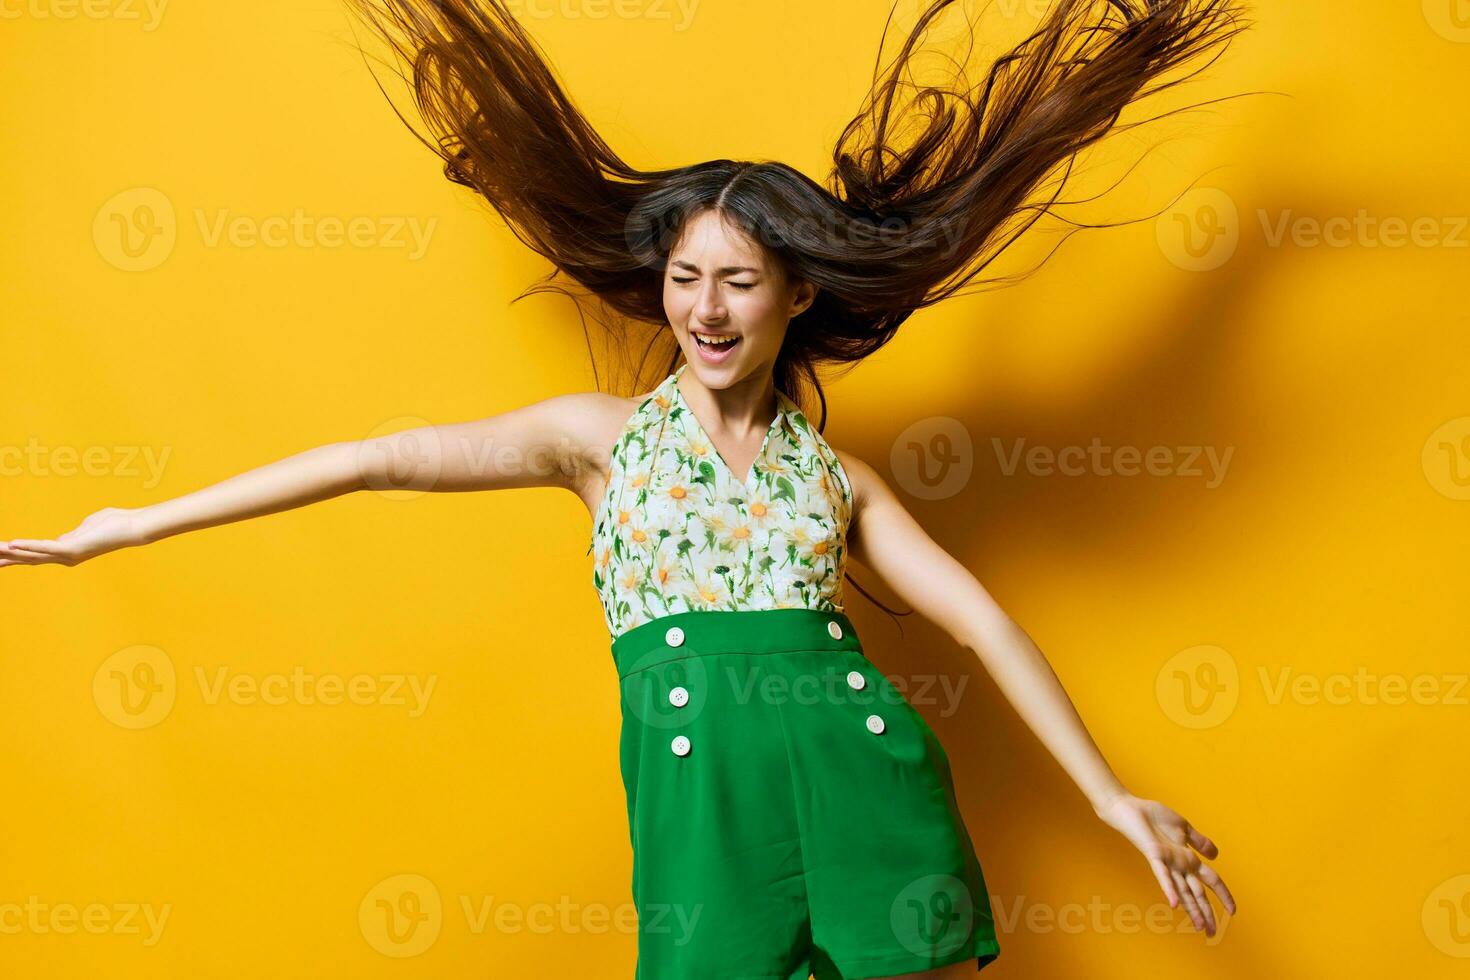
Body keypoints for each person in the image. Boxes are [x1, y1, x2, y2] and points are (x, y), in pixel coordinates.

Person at [3, 1, 1250, 976]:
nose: (705, 309)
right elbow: (379, 457)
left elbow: (983, 618)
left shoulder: (841, 480)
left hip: (868, 785)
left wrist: (1106, 795)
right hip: (701, 805)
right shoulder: (598, 440)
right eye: (685, 276)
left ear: (798, 294)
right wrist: (128, 524)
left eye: (742, 280)